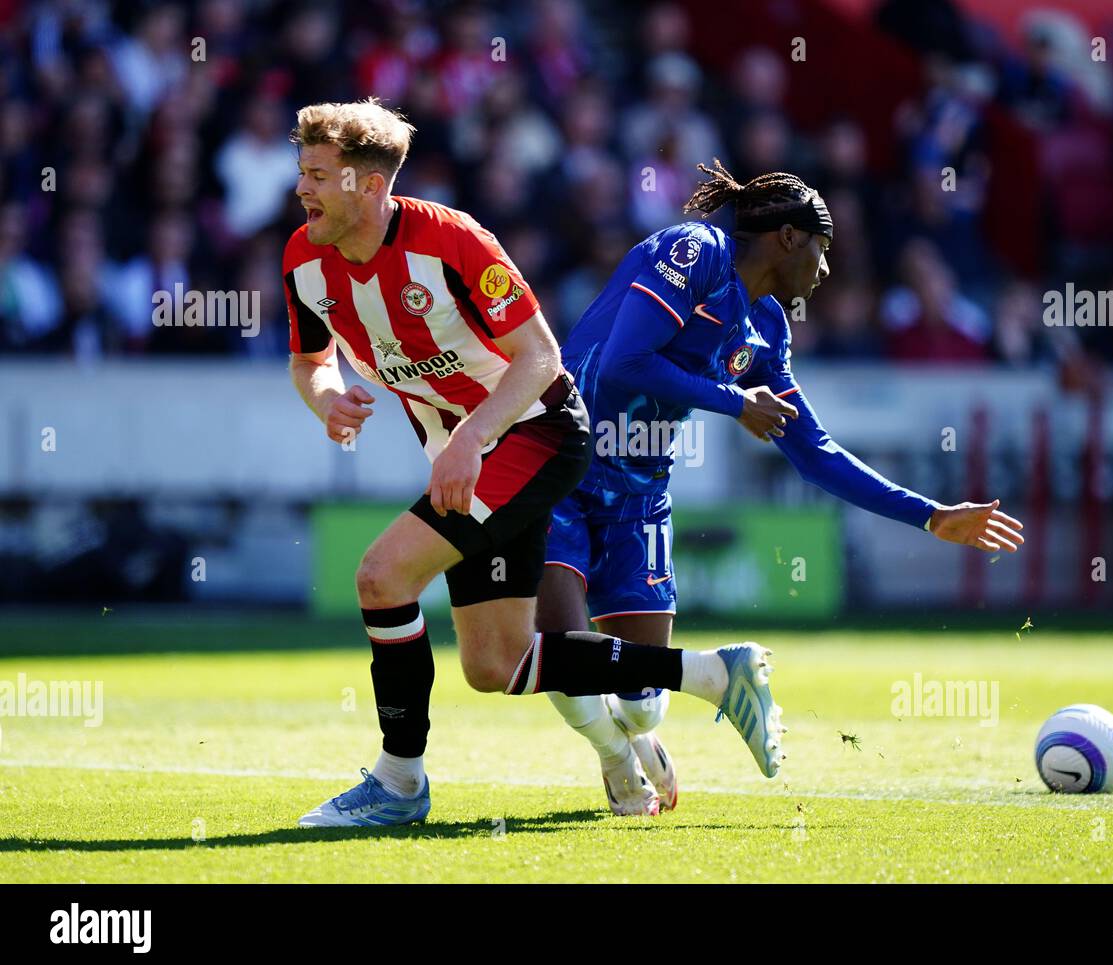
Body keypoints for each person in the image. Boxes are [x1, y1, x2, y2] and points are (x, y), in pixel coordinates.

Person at [283, 102, 785, 827]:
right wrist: (326, 399)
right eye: (303, 172)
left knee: (381, 576)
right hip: (468, 452)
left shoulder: (452, 240)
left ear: (367, 183)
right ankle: (712, 674)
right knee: (496, 664)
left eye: (318, 175)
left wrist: (470, 438)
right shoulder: (304, 255)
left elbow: (541, 358)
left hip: (537, 430)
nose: (303, 189)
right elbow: (309, 360)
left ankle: (398, 783)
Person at [540, 160, 1026, 815]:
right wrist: (735, 401)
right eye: (823, 249)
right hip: (561, 462)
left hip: (639, 496)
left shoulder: (766, 330)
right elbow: (628, 358)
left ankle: (636, 734)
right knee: (567, 656)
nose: (826, 270)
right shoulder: (694, 250)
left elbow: (815, 452)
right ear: (790, 237)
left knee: (641, 695)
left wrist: (930, 514)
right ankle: (615, 759)